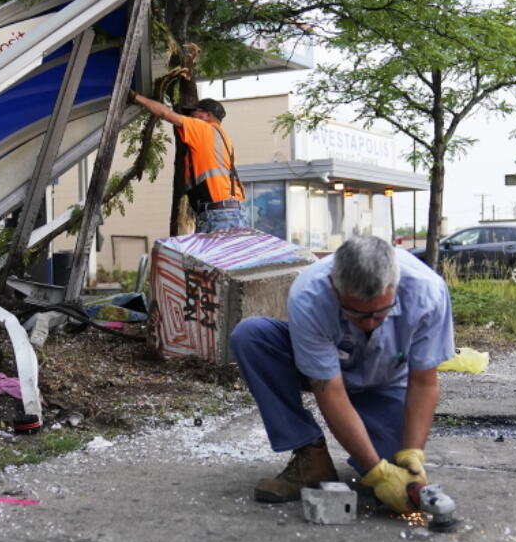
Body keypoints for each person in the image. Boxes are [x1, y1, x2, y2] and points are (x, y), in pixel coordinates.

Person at [229, 235, 455, 513]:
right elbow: (330, 390)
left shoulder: (428, 292)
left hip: (384, 383)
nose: (370, 323)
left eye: (380, 312)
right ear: (334, 287)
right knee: (251, 337)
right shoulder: (309, 295)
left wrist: (412, 454)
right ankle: (311, 457)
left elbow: (423, 381)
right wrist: (377, 473)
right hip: (324, 375)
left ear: (395, 286)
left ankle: (392, 454)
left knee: (398, 467)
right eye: (357, 314)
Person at [127, 91, 248, 232]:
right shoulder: (223, 139)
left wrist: (135, 97)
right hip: (232, 212)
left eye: (194, 114)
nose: (189, 117)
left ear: (207, 115)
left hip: (219, 214)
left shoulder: (202, 128)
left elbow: (165, 114)